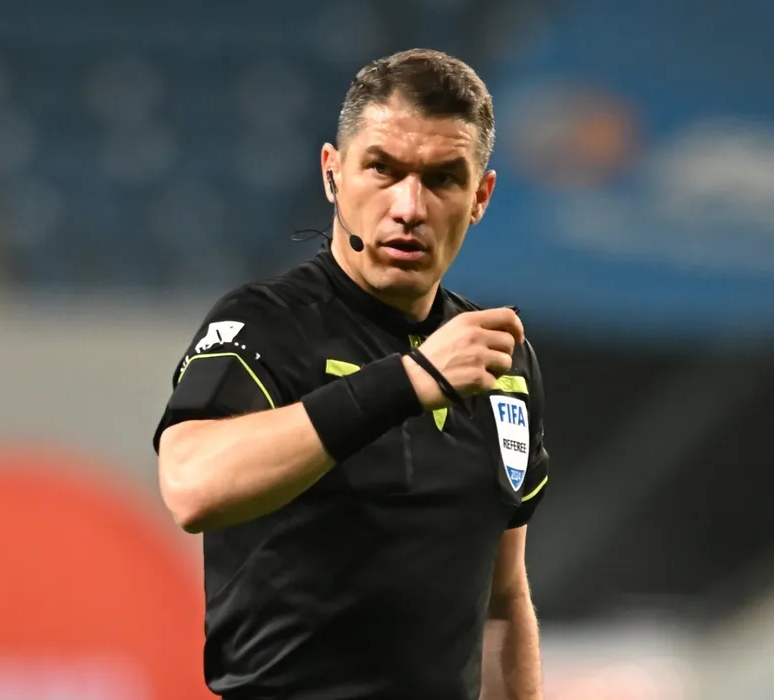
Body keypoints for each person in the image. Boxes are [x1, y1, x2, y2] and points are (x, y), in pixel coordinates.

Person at [153, 48, 548, 700]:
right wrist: (408, 380)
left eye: (442, 179)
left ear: (480, 196)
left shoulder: (499, 361)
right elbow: (191, 487)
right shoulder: (267, 325)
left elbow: (503, 600)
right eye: (382, 170)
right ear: (333, 174)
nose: (409, 207)